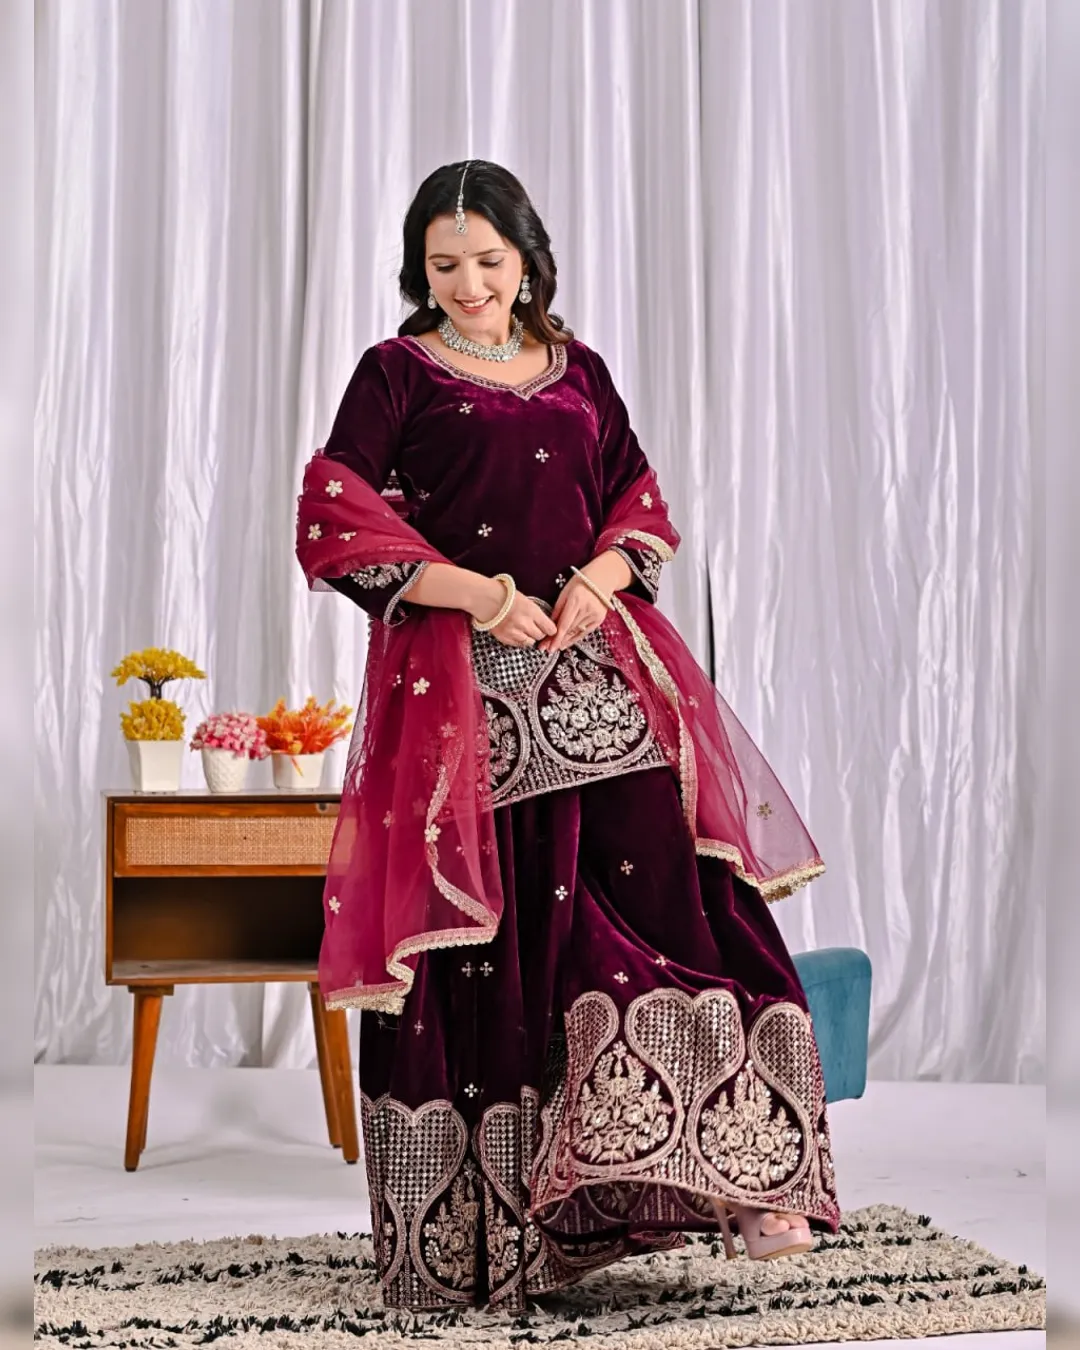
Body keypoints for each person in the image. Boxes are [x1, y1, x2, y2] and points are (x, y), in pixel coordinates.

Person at [296, 159, 839, 1313]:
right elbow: (336, 518)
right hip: (470, 699)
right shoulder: (396, 372)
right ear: (419, 270)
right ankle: (506, 1233)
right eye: (445, 265)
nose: (469, 285)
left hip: (601, 673)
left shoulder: (578, 368)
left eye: (489, 261)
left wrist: (600, 578)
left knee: (690, 904)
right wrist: (480, 596)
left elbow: (638, 500)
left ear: (528, 259)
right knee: (510, 944)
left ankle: (743, 1179)